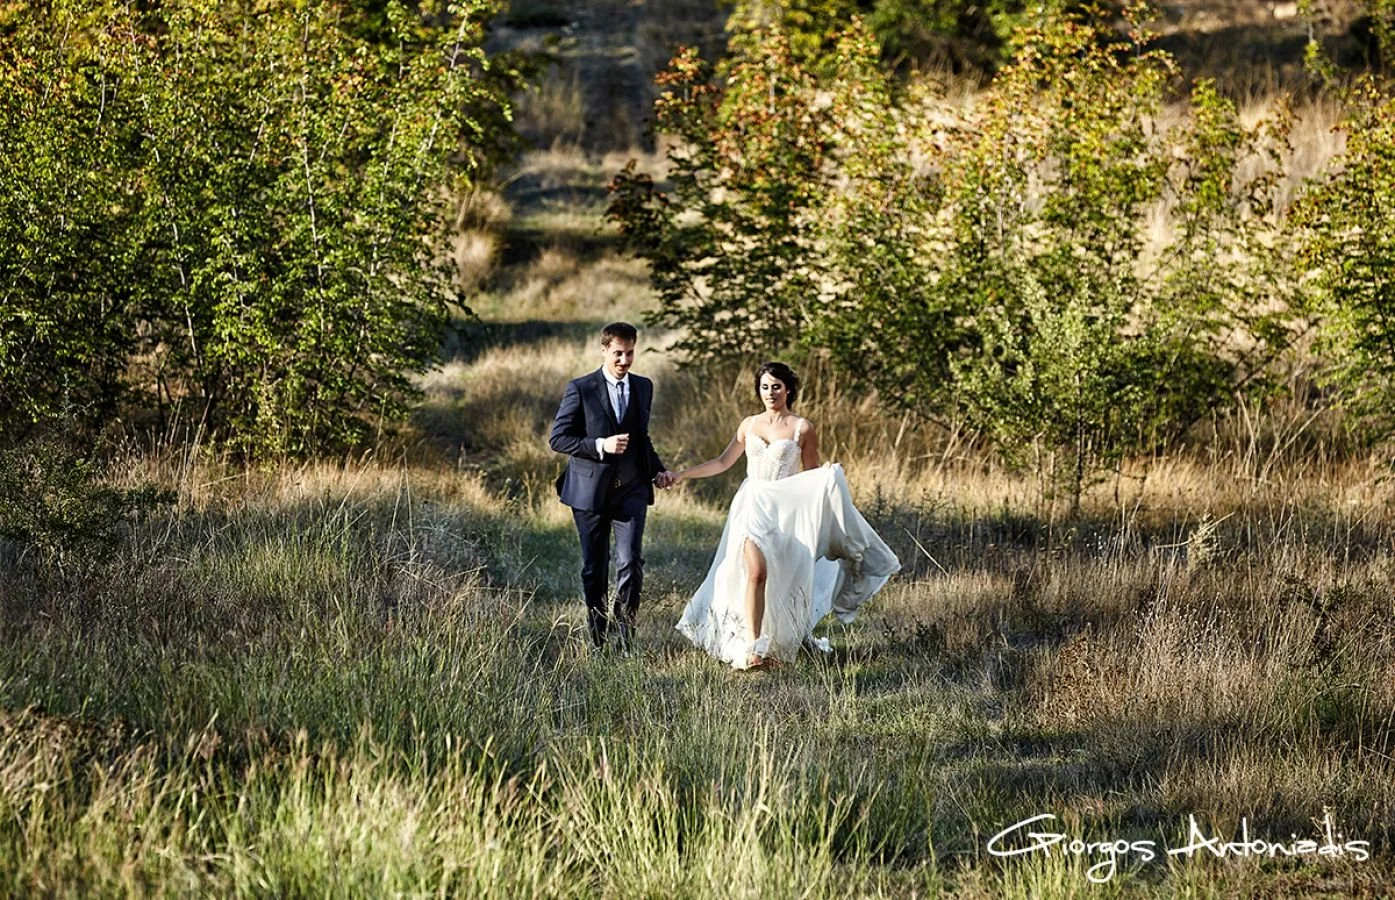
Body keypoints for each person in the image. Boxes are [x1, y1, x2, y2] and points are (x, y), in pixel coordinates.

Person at [674, 362, 900, 669]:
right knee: (756, 572)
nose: (770, 393)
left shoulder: (801, 428)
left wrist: (829, 478)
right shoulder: (749, 425)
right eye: (765, 387)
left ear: (788, 389)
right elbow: (722, 462)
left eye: (776, 386)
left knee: (783, 577)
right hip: (752, 505)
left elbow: (810, 476)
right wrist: (681, 474)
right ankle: (753, 649)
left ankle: (780, 641)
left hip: (785, 511)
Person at [550, 322, 676, 651]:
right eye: (617, 353)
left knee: (630, 561)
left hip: (631, 491)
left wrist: (658, 471)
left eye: (630, 352)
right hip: (589, 492)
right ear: (604, 350)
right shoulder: (581, 388)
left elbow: (641, 439)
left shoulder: (644, 387)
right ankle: (599, 637)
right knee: (595, 568)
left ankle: (624, 637)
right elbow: (558, 438)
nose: (624, 359)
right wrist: (601, 445)